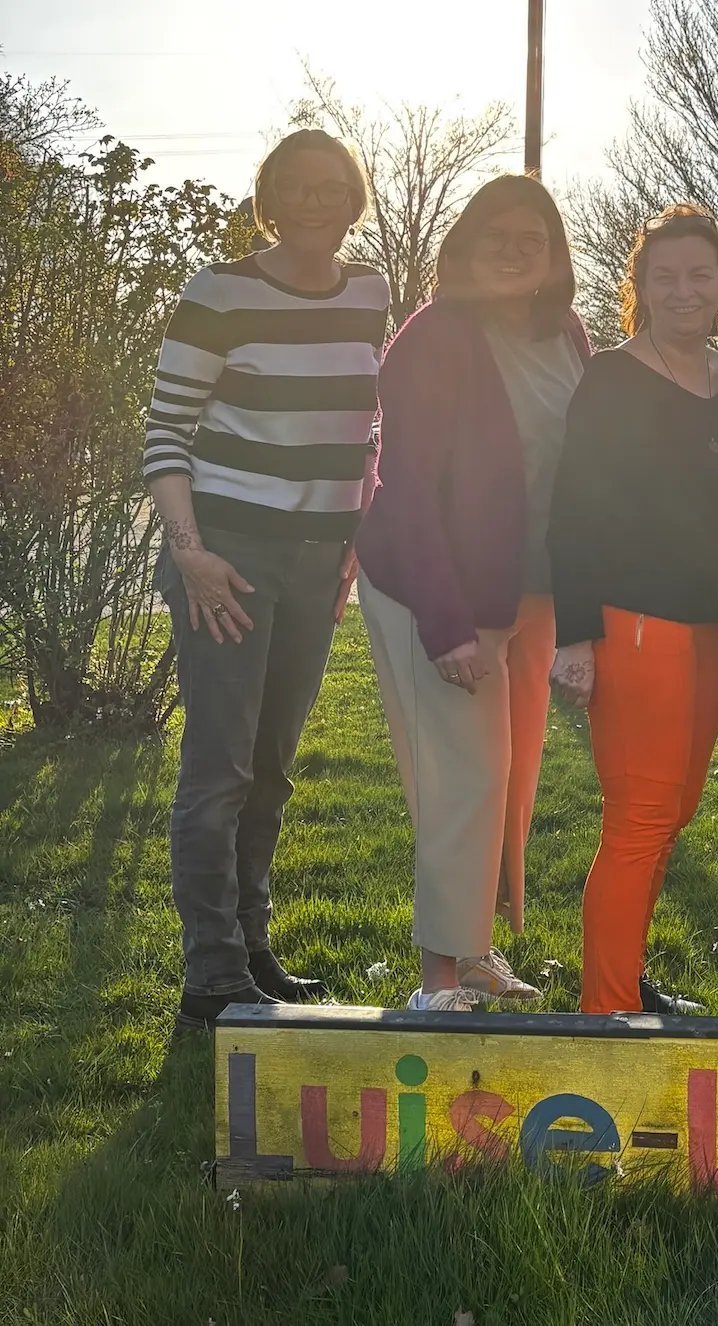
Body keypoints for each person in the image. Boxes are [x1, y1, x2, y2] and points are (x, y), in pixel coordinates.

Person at [147, 130, 389, 1029]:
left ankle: (253, 949)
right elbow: (166, 435)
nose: (317, 201)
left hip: (321, 561)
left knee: (273, 770)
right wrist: (191, 552)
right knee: (219, 771)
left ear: (355, 196)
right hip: (228, 558)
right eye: (298, 186)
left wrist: (355, 539)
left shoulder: (371, 294)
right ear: (270, 196)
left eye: (334, 185)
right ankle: (211, 976)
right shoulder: (220, 292)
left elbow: (364, 432)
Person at [355, 175, 590, 1012]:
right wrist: (449, 624)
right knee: (465, 777)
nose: (516, 250)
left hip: (525, 593)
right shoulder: (433, 337)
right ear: (462, 246)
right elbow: (409, 487)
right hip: (437, 590)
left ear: (557, 255)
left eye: (535, 237)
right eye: (498, 234)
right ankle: (439, 980)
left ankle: (481, 950)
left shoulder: (565, 333)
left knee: (513, 779)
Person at [547, 205, 718, 1017]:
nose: (683, 290)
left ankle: (626, 978)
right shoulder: (610, 378)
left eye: (699, 275)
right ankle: (605, 1019)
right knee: (639, 818)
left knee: (674, 812)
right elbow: (572, 512)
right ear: (638, 288)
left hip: (711, 629)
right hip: (633, 622)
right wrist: (575, 638)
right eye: (663, 276)